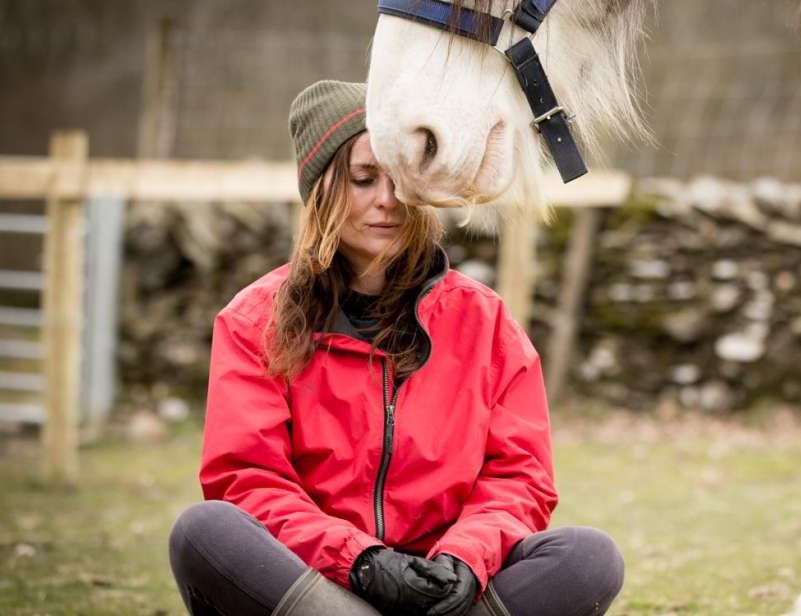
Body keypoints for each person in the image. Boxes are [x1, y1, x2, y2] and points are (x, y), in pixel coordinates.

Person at [167, 80, 624, 616]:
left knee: (588, 557)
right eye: (362, 179)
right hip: (318, 584)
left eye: (401, 179)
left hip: (445, 592)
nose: (386, 200)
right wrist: (361, 562)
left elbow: (518, 479)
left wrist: (464, 559)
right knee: (204, 531)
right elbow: (247, 479)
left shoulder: (487, 322)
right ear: (320, 190)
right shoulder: (253, 320)